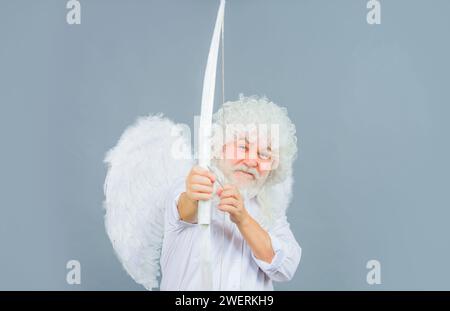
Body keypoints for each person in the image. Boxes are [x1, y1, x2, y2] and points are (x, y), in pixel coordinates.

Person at [159, 95, 301, 290]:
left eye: (264, 155)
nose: (252, 161)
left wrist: (243, 219)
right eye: (243, 147)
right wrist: (194, 195)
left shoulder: (271, 212)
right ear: (219, 147)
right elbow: (186, 209)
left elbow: (285, 267)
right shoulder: (191, 185)